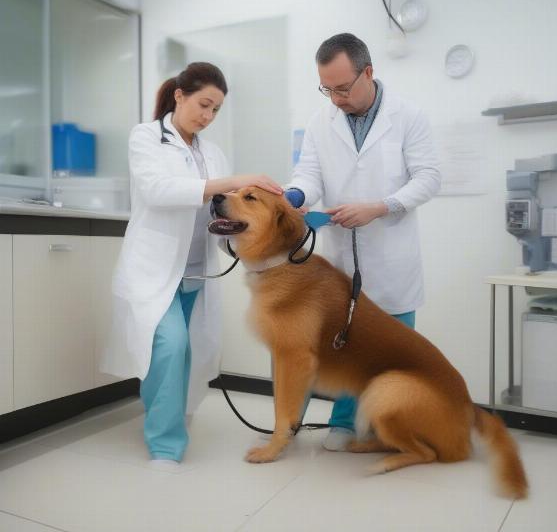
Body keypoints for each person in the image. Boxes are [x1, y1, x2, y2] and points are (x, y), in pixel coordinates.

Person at [102, 62, 282, 465]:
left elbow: (215, 213)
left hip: (197, 270)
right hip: (154, 269)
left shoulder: (212, 153)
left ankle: (169, 413)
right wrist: (235, 181)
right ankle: (165, 443)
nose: (208, 116)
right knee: (169, 344)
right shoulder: (146, 137)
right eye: (204, 104)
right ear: (180, 95)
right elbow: (159, 190)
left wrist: (252, 238)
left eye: (216, 110)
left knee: (185, 350)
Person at [288, 33, 441, 451]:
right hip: (342, 254)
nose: (335, 98)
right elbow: (310, 176)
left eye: (342, 88)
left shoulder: (408, 116)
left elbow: (428, 178)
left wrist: (380, 206)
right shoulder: (322, 123)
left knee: (394, 350)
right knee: (346, 344)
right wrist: (295, 197)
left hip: (392, 256)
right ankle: (343, 423)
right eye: (327, 89)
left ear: (368, 73)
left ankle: (398, 423)